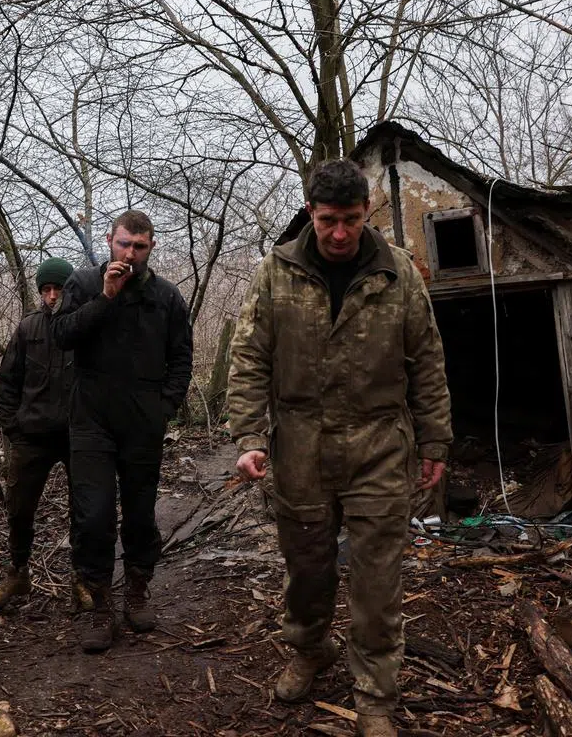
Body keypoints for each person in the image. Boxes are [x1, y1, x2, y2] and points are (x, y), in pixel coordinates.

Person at [227, 159, 452, 737]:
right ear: (310, 213)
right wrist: (250, 437)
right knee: (307, 567)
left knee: (377, 577)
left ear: (366, 212)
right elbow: (249, 359)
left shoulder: (396, 273)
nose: (340, 233)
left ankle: (376, 691)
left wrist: (435, 440)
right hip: (299, 444)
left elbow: (426, 361)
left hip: (379, 441)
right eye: (328, 220)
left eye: (351, 220)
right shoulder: (275, 273)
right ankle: (309, 649)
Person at [51, 209, 193, 652]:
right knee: (92, 516)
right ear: (110, 241)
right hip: (91, 421)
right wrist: (106, 297)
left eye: (139, 247)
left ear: (151, 248)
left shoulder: (166, 297)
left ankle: (136, 590)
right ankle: (99, 605)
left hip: (141, 424)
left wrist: (163, 408)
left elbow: (182, 360)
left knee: (138, 513)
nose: (129, 254)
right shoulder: (82, 284)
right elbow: (62, 335)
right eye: (123, 244)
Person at [0, 257, 90, 611]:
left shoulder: (83, 326)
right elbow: (8, 382)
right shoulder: (28, 329)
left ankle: (83, 579)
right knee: (19, 508)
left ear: (69, 289)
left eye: (58, 288)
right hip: (31, 436)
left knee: (86, 509)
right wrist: (13, 428)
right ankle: (17, 574)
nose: (51, 296)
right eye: (45, 289)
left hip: (78, 434)